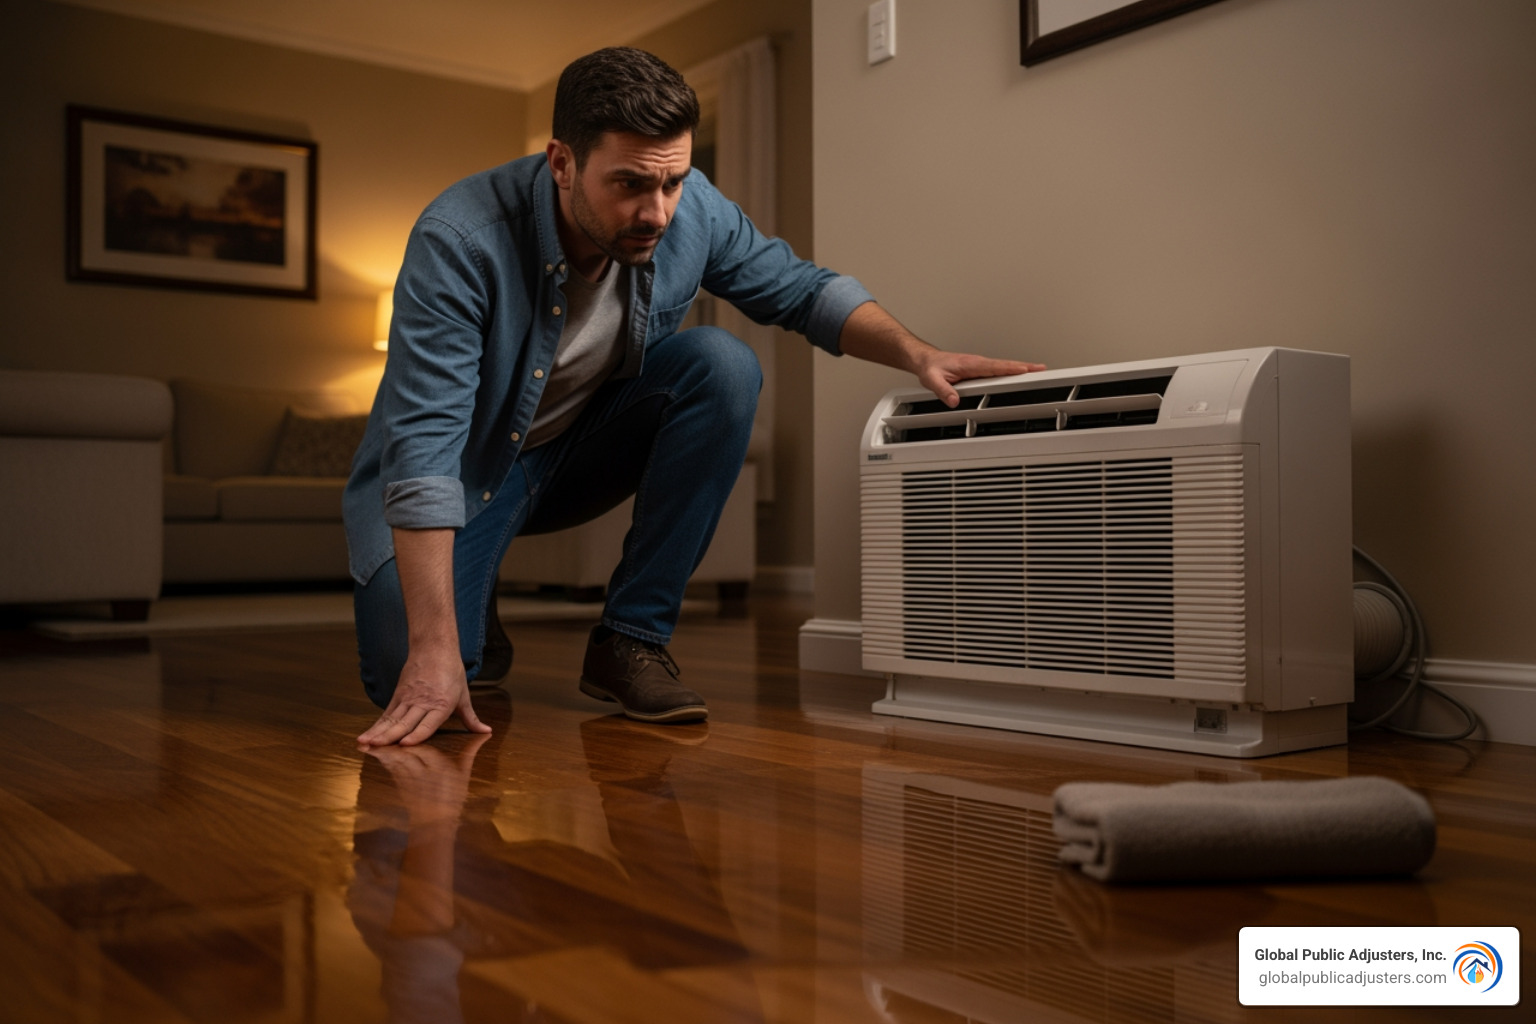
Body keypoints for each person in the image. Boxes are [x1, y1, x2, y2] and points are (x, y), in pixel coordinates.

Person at [347, 46, 1042, 747]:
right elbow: (425, 455)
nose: (656, 212)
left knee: (722, 365)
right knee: (417, 673)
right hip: (460, 475)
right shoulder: (460, 240)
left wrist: (918, 353)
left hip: (569, 457)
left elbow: (801, 290)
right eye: (628, 184)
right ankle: (472, 593)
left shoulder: (690, 208)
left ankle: (631, 639)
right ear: (562, 163)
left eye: (672, 182)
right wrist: (432, 651)